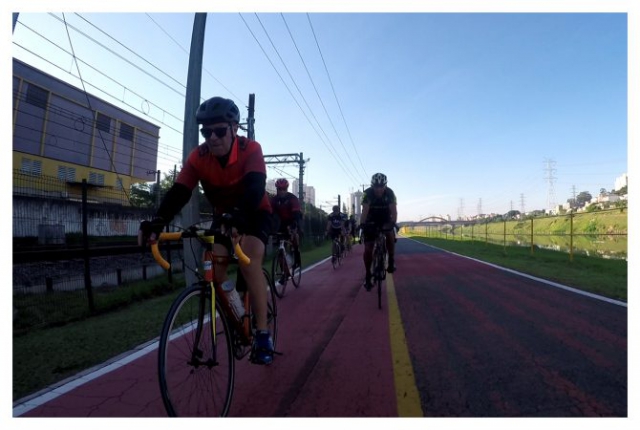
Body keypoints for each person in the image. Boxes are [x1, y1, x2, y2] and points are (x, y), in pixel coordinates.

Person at [138, 96, 275, 365]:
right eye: (206, 132)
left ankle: (262, 333)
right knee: (214, 268)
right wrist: (157, 222)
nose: (212, 138)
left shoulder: (251, 149)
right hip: (224, 217)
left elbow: (255, 188)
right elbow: (179, 192)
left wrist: (239, 217)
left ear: (234, 128)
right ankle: (237, 310)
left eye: (219, 131)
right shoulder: (198, 158)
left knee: (248, 258)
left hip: (255, 212)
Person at [360, 172, 398, 291]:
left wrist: (393, 223)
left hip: (385, 217)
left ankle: (391, 260)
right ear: (372, 186)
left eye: (381, 186)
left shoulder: (390, 193)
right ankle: (368, 274)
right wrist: (362, 225)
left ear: (385, 186)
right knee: (368, 248)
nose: (379, 189)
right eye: (376, 187)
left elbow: (394, 211)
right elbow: (365, 211)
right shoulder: (367, 194)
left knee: (390, 234)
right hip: (371, 218)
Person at [270, 178, 302, 275]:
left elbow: (296, 214)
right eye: (279, 189)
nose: (282, 191)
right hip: (282, 222)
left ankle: (297, 260)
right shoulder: (274, 200)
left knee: (294, 237)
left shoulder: (292, 198)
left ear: (287, 189)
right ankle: (284, 270)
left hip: (294, 219)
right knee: (280, 245)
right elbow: (270, 214)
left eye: (284, 189)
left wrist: (294, 226)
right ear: (277, 189)